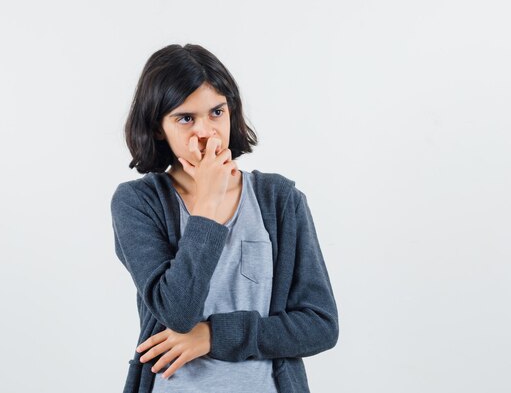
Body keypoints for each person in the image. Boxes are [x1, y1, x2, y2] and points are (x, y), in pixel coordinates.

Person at [110, 44, 339, 393]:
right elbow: (178, 313)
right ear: (158, 128)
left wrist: (214, 336)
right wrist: (207, 209)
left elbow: (320, 324)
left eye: (217, 112)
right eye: (185, 118)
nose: (207, 132)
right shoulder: (137, 202)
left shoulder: (280, 200)